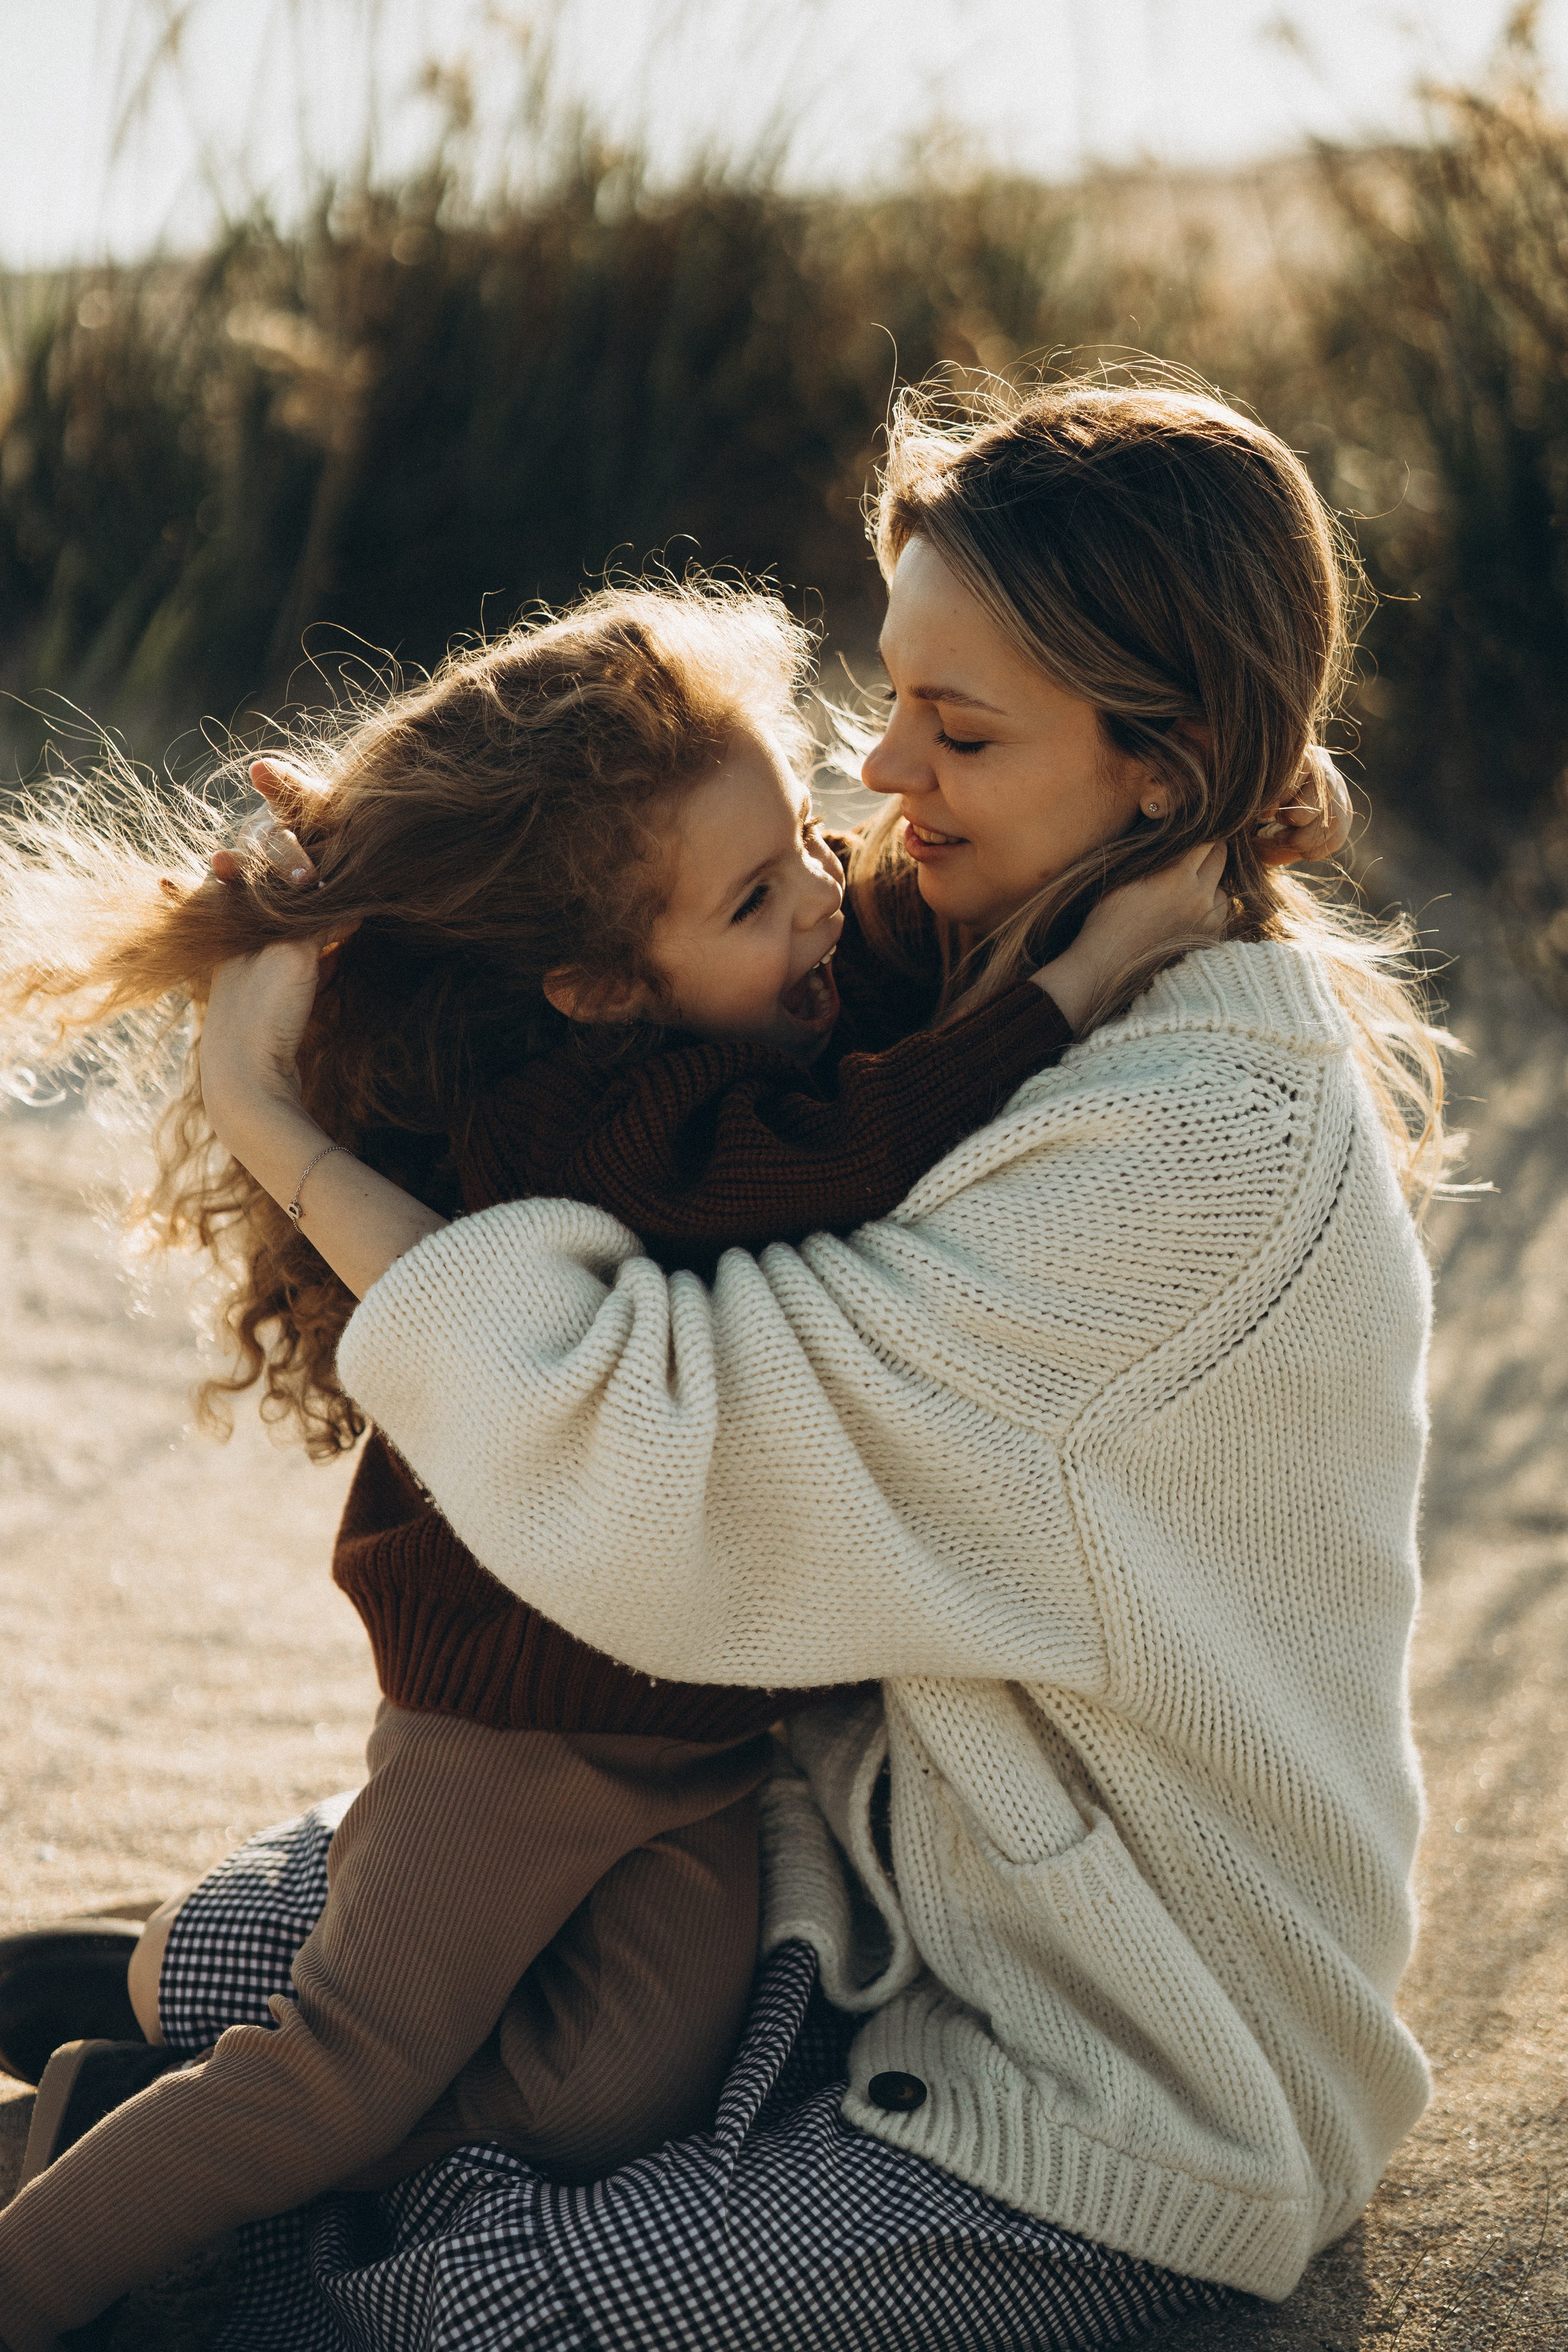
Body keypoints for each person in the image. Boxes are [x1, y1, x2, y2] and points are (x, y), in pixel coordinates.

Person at [62, 373, 1438, 2351]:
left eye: (957, 732)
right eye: (891, 701)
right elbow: (625, 980)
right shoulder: (978, 950)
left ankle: (171, 2213)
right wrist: (401, 868)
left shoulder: (1194, 1137)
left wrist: (279, 1125)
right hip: (862, 1899)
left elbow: (658, 1454)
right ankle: (203, 2119)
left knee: (498, 2307)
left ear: (1165, 763)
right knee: (237, 1971)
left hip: (1113, 2059)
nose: (885, 775)